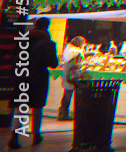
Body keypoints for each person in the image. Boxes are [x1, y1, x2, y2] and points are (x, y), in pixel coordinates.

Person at [23, 18, 58, 146]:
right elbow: (53, 63)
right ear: (47, 26)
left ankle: (14, 136)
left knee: (19, 105)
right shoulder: (48, 43)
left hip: (22, 74)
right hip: (39, 76)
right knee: (37, 106)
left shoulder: (23, 39)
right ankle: (36, 134)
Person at [58, 36, 86, 121]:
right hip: (73, 75)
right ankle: (74, 113)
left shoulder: (68, 49)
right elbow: (78, 64)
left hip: (67, 74)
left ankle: (62, 113)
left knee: (66, 94)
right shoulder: (77, 52)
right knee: (73, 94)